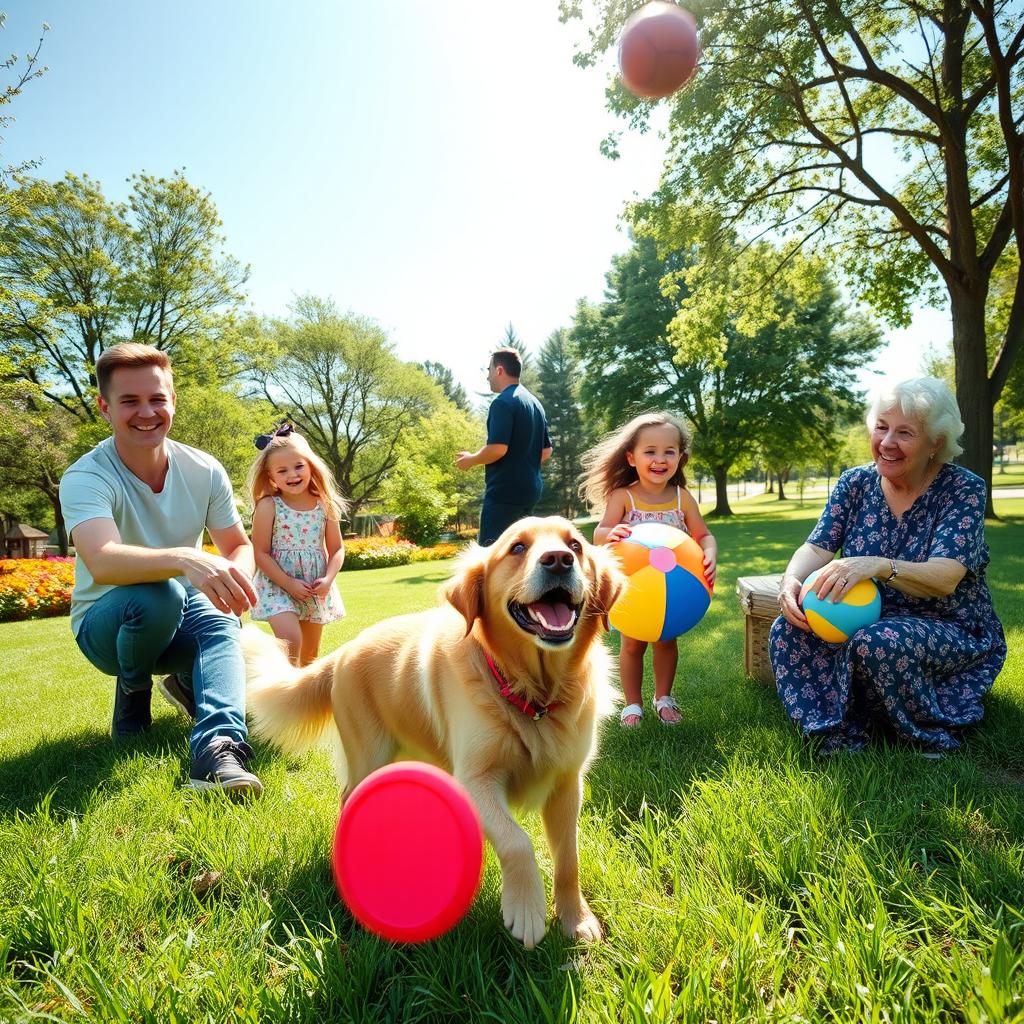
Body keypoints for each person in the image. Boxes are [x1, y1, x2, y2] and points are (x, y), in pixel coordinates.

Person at [59, 343, 263, 796]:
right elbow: (103, 558)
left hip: (182, 612)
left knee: (217, 616)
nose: (146, 412)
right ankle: (133, 689)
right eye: (129, 401)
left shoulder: (203, 469)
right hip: (105, 627)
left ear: (173, 402)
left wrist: (233, 583)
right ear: (105, 408)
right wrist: (186, 558)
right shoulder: (86, 476)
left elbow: (237, 546)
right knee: (161, 593)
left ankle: (218, 750)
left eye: (157, 399)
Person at [771, 377, 1006, 756]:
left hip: (946, 624)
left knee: (877, 642)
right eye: (881, 427)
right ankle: (835, 730)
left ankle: (924, 731)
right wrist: (791, 581)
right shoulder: (856, 483)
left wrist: (879, 565)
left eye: (905, 433)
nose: (887, 442)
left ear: (936, 443)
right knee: (789, 629)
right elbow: (816, 546)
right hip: (867, 615)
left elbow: (945, 578)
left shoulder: (962, 489)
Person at [581, 412, 717, 726]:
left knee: (666, 641)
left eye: (669, 451)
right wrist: (608, 535)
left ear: (680, 458)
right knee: (631, 643)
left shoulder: (682, 499)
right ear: (631, 458)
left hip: (672, 588)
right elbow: (601, 533)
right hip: (633, 586)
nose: (659, 459)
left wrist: (709, 553)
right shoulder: (623, 496)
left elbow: (703, 534)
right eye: (650, 451)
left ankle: (664, 698)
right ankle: (632, 705)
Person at [248, 424, 347, 666]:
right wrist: (288, 583)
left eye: (299, 466)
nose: (292, 475)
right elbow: (260, 553)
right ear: (271, 476)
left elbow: (337, 550)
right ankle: (260, 666)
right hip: (278, 584)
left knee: (309, 659)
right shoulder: (268, 506)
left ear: (311, 466)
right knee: (291, 641)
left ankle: (300, 701)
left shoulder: (324, 505)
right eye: (282, 470)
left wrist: (328, 580)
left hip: (314, 586)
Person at [455, 347, 552, 545]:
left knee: (490, 555)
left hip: (504, 494)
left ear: (499, 370)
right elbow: (546, 451)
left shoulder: (502, 403)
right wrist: (522, 463)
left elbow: (498, 449)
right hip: (530, 492)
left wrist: (470, 460)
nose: (487, 376)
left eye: (488, 370)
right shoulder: (535, 403)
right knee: (521, 556)